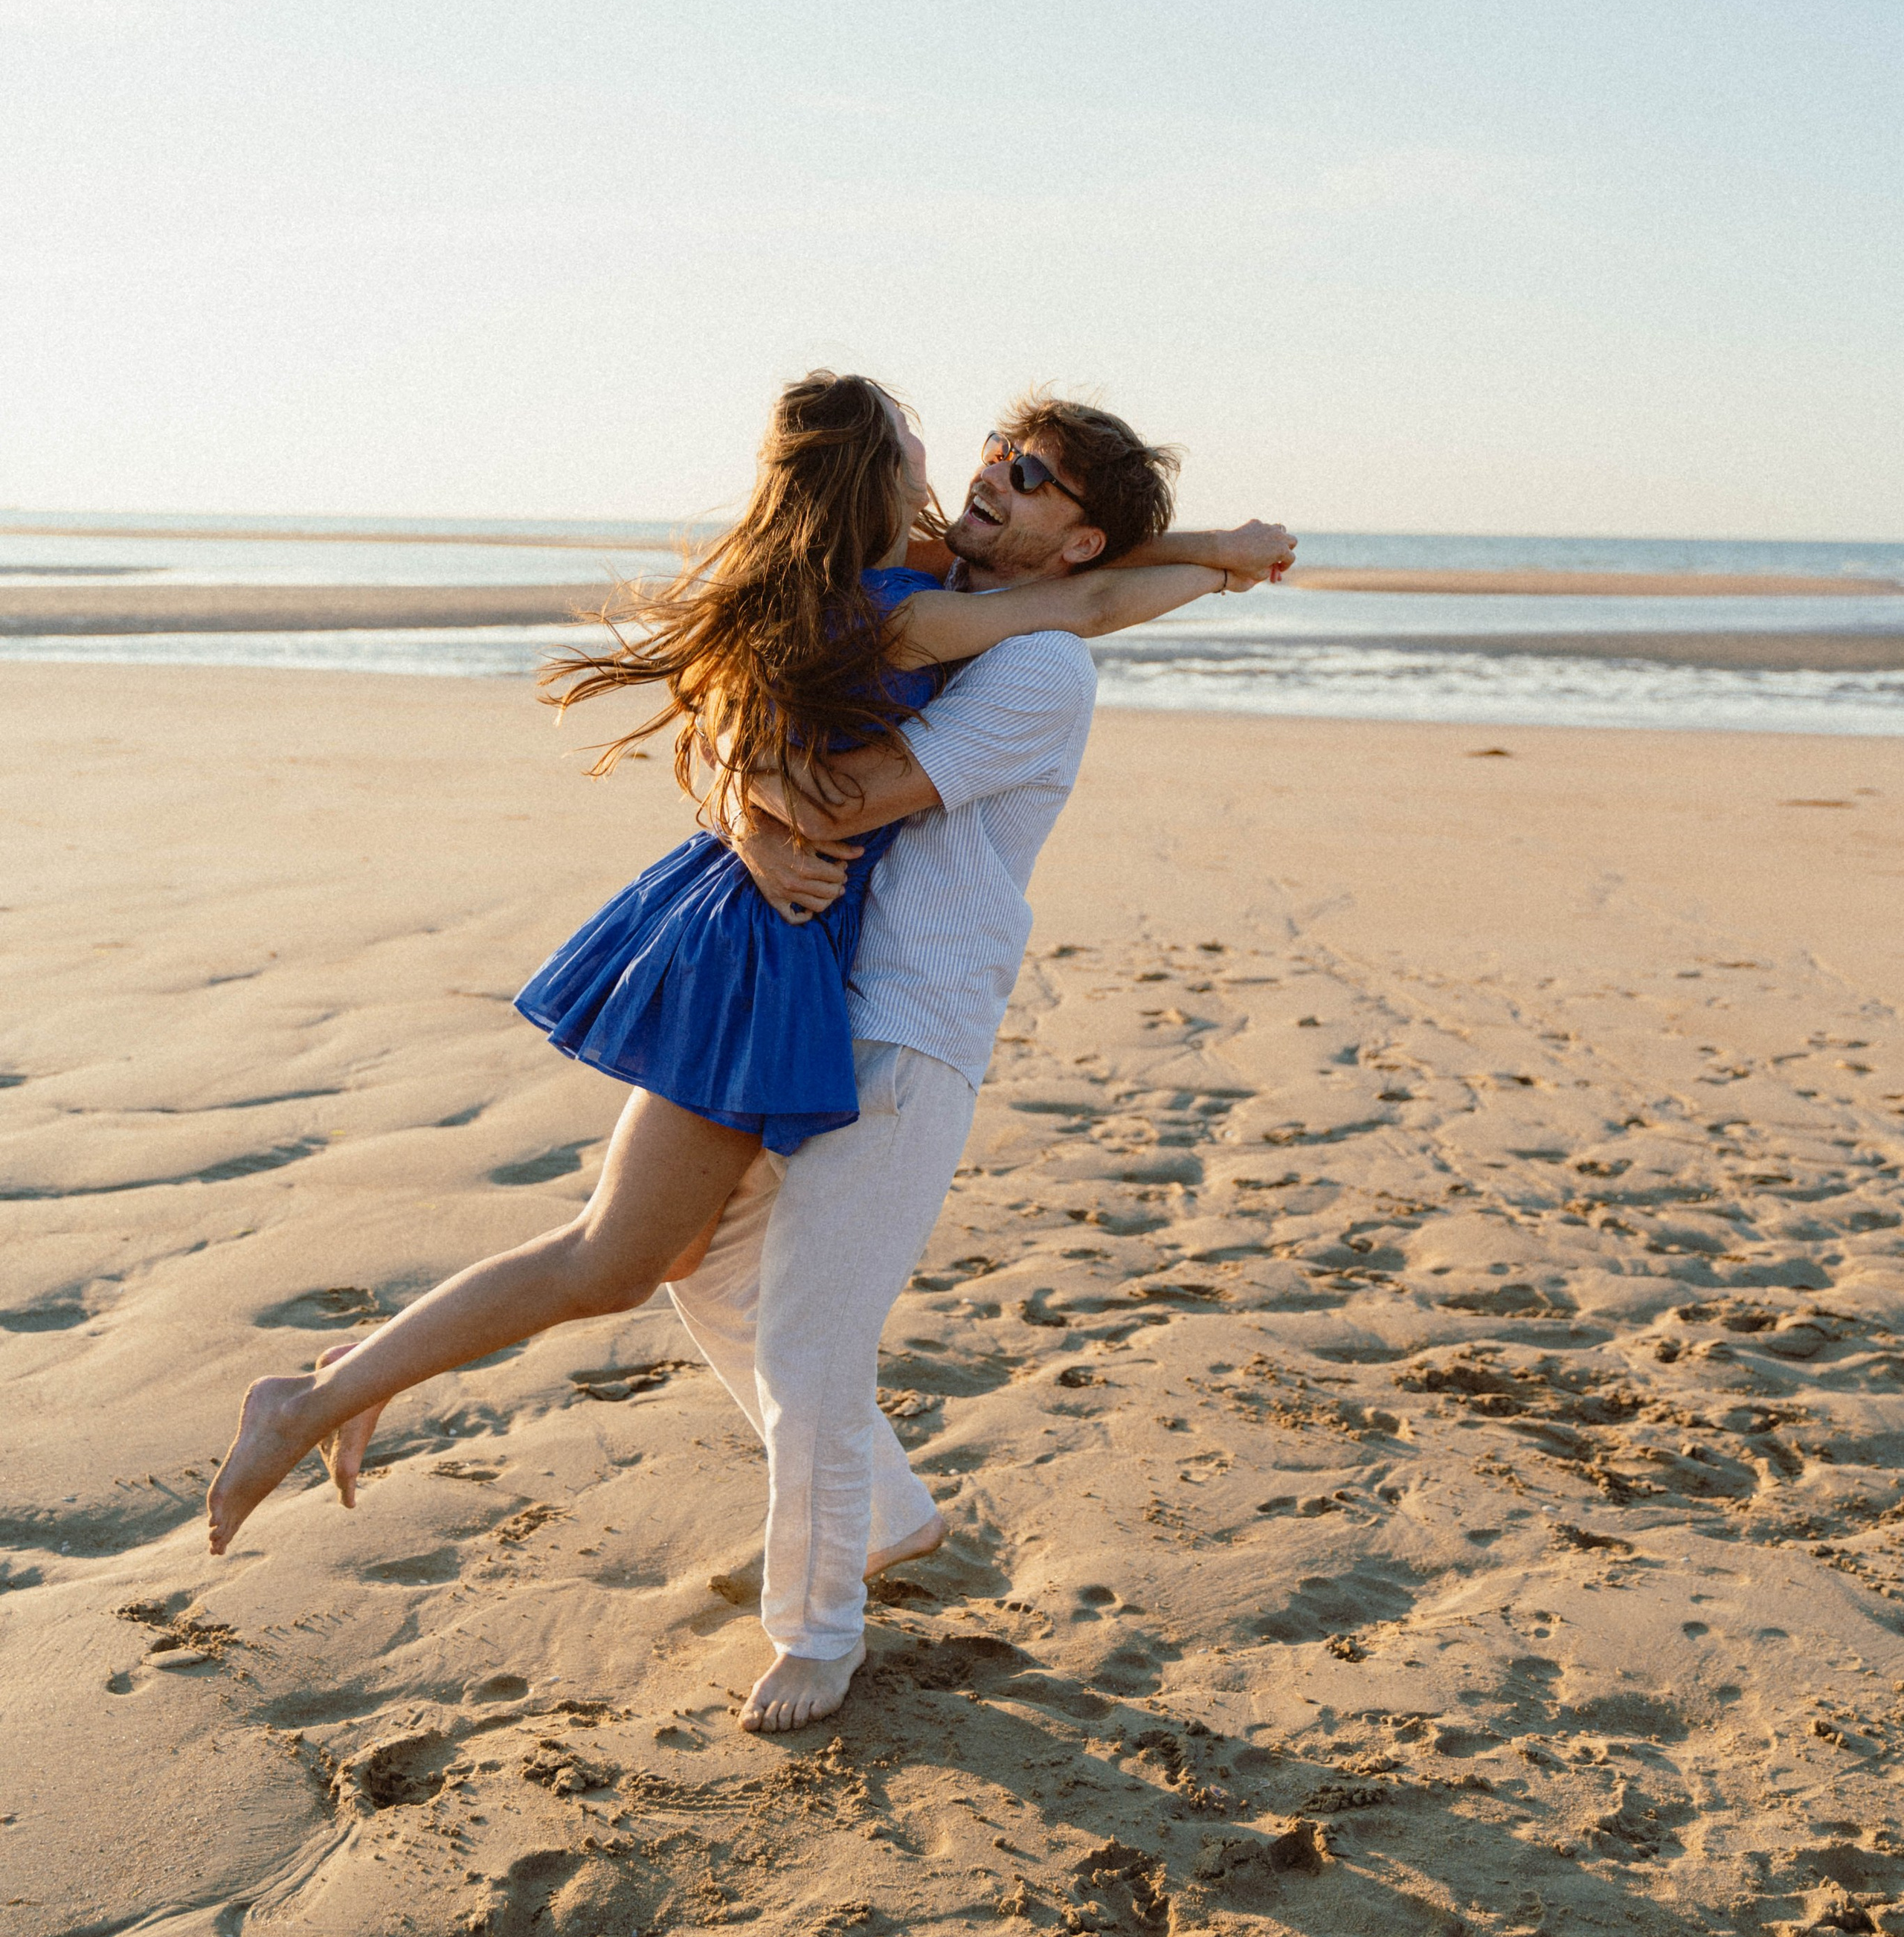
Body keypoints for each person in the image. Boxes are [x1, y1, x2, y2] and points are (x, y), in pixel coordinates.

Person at [205, 376, 1290, 1565]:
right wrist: (1220, 566)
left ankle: (360, 1384)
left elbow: (1080, 582)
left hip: (763, 932)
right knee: (614, 1258)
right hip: (757, 948)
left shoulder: (873, 579)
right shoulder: (897, 613)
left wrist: (1221, 551)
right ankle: (314, 1399)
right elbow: (1084, 602)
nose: (969, 475)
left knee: (650, 1257)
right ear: (877, 490)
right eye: (947, 455)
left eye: (1009, 466)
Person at [654, 393, 1296, 1730]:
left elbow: (851, 792)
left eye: (1036, 476)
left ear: (1079, 541)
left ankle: (820, 1632)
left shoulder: (1039, 667)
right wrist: (740, 805)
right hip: (823, 1002)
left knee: (811, 1343)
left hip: (910, 1015)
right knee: (704, 1267)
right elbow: (742, 719)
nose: (994, 479)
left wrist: (765, 812)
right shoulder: (934, 590)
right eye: (997, 456)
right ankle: (878, 1515)